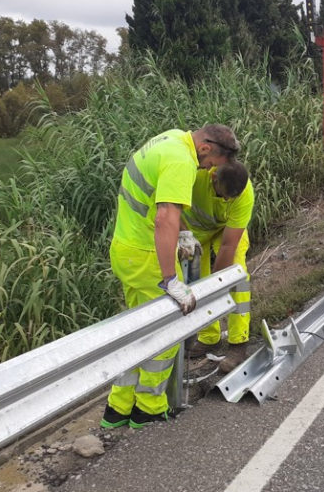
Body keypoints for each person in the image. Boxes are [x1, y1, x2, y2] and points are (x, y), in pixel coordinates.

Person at [100, 124, 240, 429]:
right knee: (166, 331)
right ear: (205, 148)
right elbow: (165, 217)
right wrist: (169, 280)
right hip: (147, 255)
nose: (207, 170)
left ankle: (118, 407)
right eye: (210, 164)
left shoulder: (171, 138)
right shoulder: (182, 161)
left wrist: (185, 231)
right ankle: (149, 408)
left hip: (125, 246)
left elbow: (157, 201)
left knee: (138, 329)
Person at [181, 159, 254, 373]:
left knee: (237, 277)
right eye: (223, 195)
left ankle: (238, 343)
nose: (227, 199)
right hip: (193, 232)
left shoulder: (245, 194)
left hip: (226, 230)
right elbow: (169, 205)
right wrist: (184, 235)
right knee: (196, 282)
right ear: (214, 177)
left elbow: (229, 246)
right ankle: (209, 336)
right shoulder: (197, 175)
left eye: (232, 197)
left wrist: (218, 286)